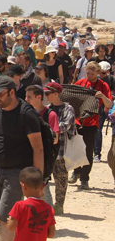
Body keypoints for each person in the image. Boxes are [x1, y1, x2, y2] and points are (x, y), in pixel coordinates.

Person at [0, 76, 44, 241]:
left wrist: (36, 182)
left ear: (11, 92)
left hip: (18, 174)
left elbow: (38, 148)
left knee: (5, 219)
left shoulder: (27, 114)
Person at [69, 61, 113, 189]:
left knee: (88, 151)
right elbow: (71, 94)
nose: (89, 76)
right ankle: (76, 171)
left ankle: (84, 178)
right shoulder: (81, 83)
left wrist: (102, 96)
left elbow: (109, 104)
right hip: (78, 121)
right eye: (88, 73)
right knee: (76, 148)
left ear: (98, 74)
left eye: (92, 74)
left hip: (92, 122)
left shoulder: (102, 85)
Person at [7, 167, 56, 241]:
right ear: (42, 186)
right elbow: (51, 234)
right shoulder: (49, 209)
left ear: (23, 186)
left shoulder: (20, 205)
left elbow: (10, 227)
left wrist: (10, 220)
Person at [24, 85, 60, 207]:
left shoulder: (50, 115)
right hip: (26, 156)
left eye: (29, 97)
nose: (26, 99)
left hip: (43, 158)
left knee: (43, 190)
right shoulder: (24, 113)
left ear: (39, 97)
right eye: (26, 96)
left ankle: (49, 220)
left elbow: (55, 138)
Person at [44, 82, 76, 215]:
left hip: (62, 150)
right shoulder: (47, 109)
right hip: (47, 150)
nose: (45, 95)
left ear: (56, 94)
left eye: (48, 93)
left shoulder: (68, 109)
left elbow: (65, 125)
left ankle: (59, 205)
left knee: (61, 180)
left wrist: (49, 127)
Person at [95, 61, 115, 162]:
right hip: (97, 108)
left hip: (107, 108)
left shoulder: (112, 80)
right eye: (99, 72)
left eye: (103, 73)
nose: (100, 75)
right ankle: (96, 153)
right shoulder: (96, 80)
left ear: (108, 72)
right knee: (97, 130)